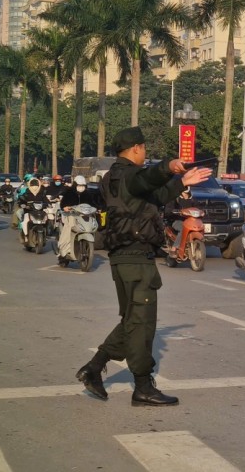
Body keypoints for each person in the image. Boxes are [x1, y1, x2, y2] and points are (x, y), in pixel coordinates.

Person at [75, 126, 211, 406]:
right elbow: (148, 178)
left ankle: (94, 367)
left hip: (124, 256)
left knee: (132, 320)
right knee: (142, 324)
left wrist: (182, 182)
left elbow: (153, 196)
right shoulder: (130, 175)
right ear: (136, 148)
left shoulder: (113, 177)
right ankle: (143, 387)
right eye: (144, 148)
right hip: (135, 257)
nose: (145, 153)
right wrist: (169, 167)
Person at [57, 175, 101, 262]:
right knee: (68, 230)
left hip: (84, 216)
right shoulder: (69, 193)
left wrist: (98, 208)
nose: (81, 187)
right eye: (79, 185)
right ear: (75, 185)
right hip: (72, 216)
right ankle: (64, 251)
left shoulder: (87, 194)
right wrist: (65, 207)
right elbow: (63, 204)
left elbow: (92, 203)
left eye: (83, 186)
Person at [163, 186, 198, 258]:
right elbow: (167, 210)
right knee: (183, 228)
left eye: (187, 187)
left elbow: (198, 209)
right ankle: (174, 249)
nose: (185, 189)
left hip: (190, 222)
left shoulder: (193, 200)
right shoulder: (175, 199)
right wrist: (174, 211)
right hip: (176, 221)